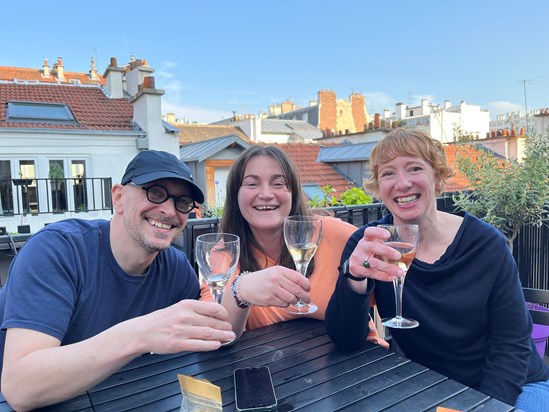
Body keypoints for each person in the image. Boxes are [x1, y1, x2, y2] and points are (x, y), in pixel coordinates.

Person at [325, 129, 549, 409]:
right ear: (379, 186)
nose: (402, 183)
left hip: (515, 386)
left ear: (438, 177)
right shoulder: (369, 244)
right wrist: (354, 277)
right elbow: (346, 340)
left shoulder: (486, 244)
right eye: (388, 173)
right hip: (433, 386)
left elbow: (511, 346)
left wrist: (485, 406)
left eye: (415, 168)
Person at [0, 150, 235, 410]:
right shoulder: (57, 250)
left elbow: (207, 341)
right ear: (119, 198)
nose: (169, 210)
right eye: (155, 192)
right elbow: (19, 388)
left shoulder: (176, 268)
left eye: (182, 202)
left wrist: (240, 292)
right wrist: (140, 335)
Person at [202, 145, 387, 347]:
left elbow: (394, 284)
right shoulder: (225, 253)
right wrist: (240, 290)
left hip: (363, 360)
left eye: (278, 183)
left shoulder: (337, 235)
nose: (265, 194)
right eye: (252, 184)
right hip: (281, 369)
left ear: (293, 194)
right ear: (235, 195)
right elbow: (214, 333)